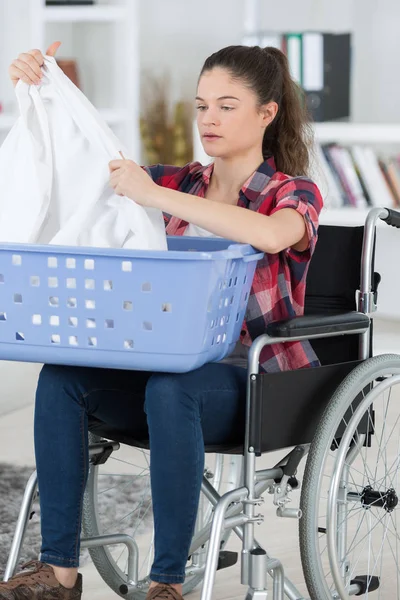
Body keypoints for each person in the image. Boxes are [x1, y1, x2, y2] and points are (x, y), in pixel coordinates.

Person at [1, 40, 323, 600]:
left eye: (226, 105)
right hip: (163, 370)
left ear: (267, 114)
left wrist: (154, 196)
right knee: (61, 379)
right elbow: (80, 174)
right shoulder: (178, 182)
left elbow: (272, 235)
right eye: (201, 106)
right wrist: (42, 95)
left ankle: (167, 583)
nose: (209, 119)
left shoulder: (291, 192)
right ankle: (59, 575)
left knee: (175, 391)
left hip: (250, 380)